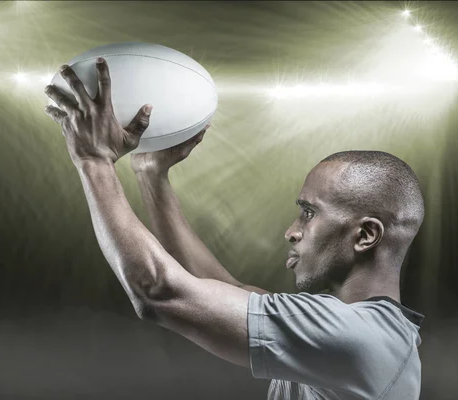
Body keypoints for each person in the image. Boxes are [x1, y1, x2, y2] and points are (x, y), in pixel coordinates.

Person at [44, 59, 426, 400]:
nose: (291, 232)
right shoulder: (365, 332)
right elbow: (225, 291)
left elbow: (158, 291)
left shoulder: (358, 338)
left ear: (365, 235)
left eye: (309, 214)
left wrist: (94, 161)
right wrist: (151, 174)